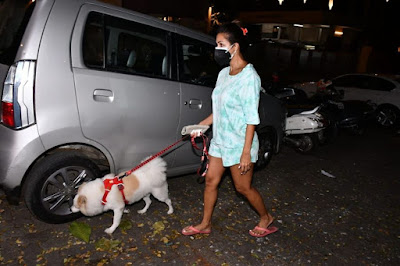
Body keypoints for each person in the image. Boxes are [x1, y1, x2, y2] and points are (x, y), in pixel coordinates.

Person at [181, 22, 278, 238]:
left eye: (221, 44)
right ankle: (205, 224)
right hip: (220, 140)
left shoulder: (249, 77)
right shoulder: (224, 73)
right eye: (216, 44)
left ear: (234, 47)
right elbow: (220, 109)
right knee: (210, 181)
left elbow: (252, 118)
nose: (217, 49)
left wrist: (246, 153)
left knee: (243, 188)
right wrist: (201, 126)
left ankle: (266, 217)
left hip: (240, 142)